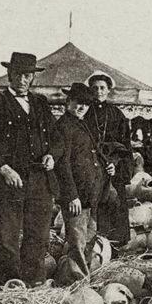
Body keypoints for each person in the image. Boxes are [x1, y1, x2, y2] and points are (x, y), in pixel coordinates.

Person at [0, 52, 56, 285]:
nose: (22, 80)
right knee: (8, 236)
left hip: (39, 179)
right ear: (9, 75)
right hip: (9, 180)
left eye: (27, 75)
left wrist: (52, 155)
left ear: (32, 78)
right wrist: (3, 168)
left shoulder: (40, 103)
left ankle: (32, 283)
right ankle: (11, 285)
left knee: (38, 235)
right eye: (18, 75)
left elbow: (55, 137)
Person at [52, 83, 106, 278]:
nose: (81, 107)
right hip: (76, 196)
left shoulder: (83, 124)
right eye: (77, 103)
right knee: (76, 241)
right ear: (68, 102)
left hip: (90, 193)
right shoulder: (63, 127)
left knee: (89, 238)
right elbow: (62, 165)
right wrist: (71, 195)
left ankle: (87, 276)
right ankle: (78, 282)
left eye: (85, 104)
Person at [82, 70, 132, 248]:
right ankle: (95, 247)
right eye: (94, 88)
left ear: (108, 90)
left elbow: (124, 144)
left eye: (102, 88)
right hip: (91, 167)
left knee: (114, 204)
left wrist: (115, 164)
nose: (99, 92)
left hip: (113, 169)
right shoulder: (85, 112)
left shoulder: (117, 114)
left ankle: (115, 247)